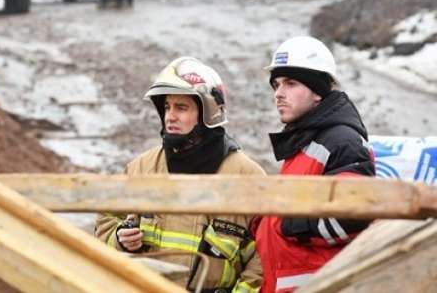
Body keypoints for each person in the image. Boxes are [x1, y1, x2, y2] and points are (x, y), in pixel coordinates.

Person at [95, 57, 265, 293]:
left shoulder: (247, 177)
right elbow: (105, 221)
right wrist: (119, 238)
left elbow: (265, 256)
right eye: (166, 107)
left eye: (181, 107)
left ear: (208, 113)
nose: (170, 116)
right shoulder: (141, 168)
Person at [254, 36, 375, 293]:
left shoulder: (342, 141)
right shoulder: (306, 141)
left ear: (317, 91)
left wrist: (286, 225)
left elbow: (353, 214)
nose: (278, 93)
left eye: (291, 83)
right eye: (276, 85)